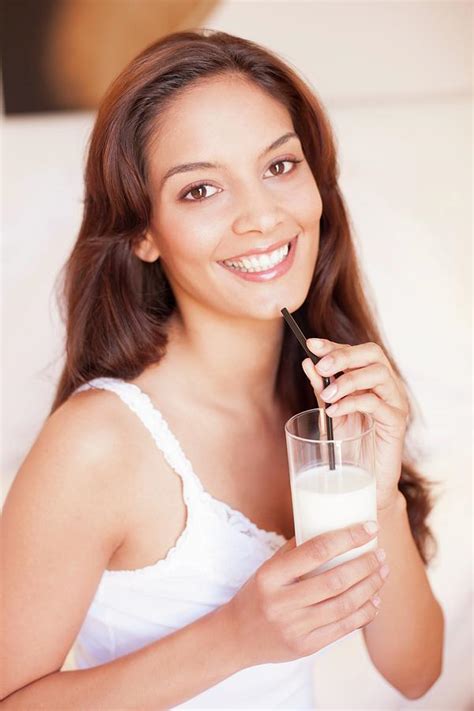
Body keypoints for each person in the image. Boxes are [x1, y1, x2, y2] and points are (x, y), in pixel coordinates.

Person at [1, 28, 444, 708]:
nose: (262, 215)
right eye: (201, 189)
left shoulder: (328, 405)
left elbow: (415, 671)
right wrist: (236, 636)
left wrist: (376, 493)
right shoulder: (97, 444)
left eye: (279, 166)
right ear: (142, 233)